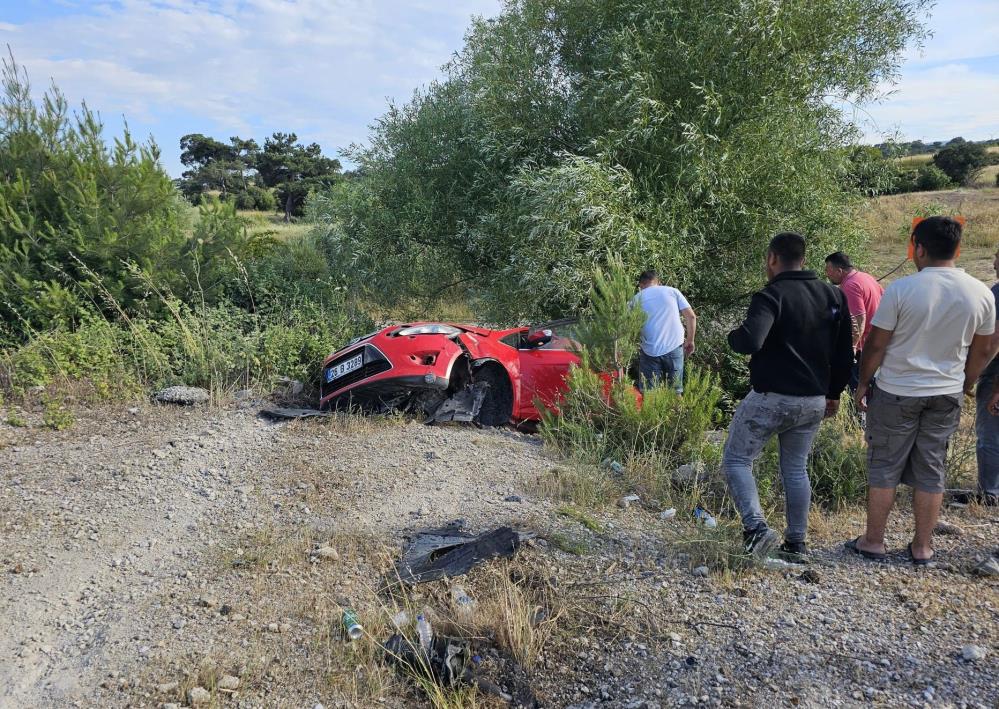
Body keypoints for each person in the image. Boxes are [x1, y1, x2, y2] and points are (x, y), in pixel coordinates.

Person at [848, 217, 995, 565]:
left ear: (920, 248)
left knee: (884, 465)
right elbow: (986, 350)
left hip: (897, 390)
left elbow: (876, 345)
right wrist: (966, 382)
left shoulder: (902, 289)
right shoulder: (981, 293)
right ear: (957, 249)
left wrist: (864, 382)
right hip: (946, 392)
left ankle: (873, 541)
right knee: (932, 469)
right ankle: (922, 547)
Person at [723, 233, 853, 558]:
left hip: (772, 398)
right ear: (805, 260)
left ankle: (756, 529)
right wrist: (834, 393)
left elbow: (751, 340)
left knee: (737, 460)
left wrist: (732, 337)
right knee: (795, 468)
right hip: (813, 400)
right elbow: (843, 352)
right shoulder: (833, 295)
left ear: (771, 259)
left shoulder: (771, 295)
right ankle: (797, 542)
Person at [824, 252, 883, 391]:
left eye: (828, 270)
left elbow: (858, 320)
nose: (827, 274)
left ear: (839, 270)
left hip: (862, 346)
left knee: (855, 388)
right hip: (876, 341)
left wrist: (851, 349)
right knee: (868, 385)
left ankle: (858, 412)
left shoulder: (850, 285)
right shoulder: (866, 277)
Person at [632, 270, 696, 393]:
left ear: (640, 285)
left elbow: (623, 324)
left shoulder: (636, 299)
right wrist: (690, 340)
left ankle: (651, 412)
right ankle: (678, 412)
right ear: (659, 282)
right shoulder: (672, 291)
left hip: (649, 351)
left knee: (649, 393)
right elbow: (691, 317)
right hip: (674, 347)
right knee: (676, 391)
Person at [969, 246, 999, 506]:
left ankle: (989, 491)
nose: (993, 264)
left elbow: (994, 342)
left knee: (989, 435)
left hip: (996, 377)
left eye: (997, 259)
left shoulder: (998, 293)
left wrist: (972, 376)